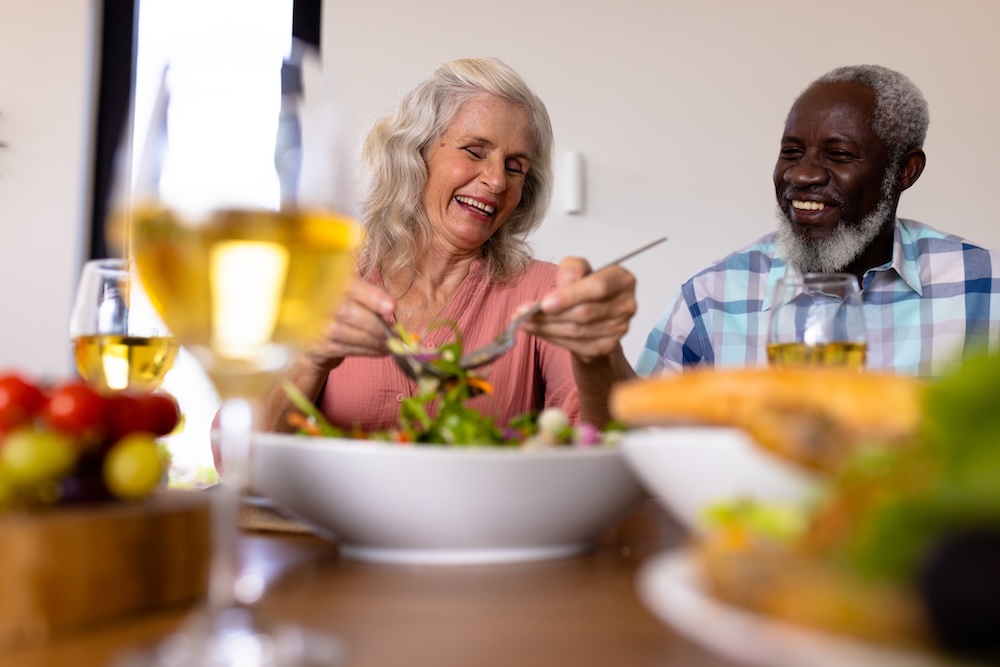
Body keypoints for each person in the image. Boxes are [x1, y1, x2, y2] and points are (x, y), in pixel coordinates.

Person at [261, 57, 637, 435]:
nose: (496, 181)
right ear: (416, 153)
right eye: (475, 151)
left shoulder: (548, 294)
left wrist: (598, 356)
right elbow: (237, 456)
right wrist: (310, 357)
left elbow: (607, 445)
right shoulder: (326, 279)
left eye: (515, 166)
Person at [637, 64, 1000, 378]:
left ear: (904, 170)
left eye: (838, 154)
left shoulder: (987, 288)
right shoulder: (711, 298)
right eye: (791, 152)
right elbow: (632, 438)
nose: (802, 174)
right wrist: (596, 353)